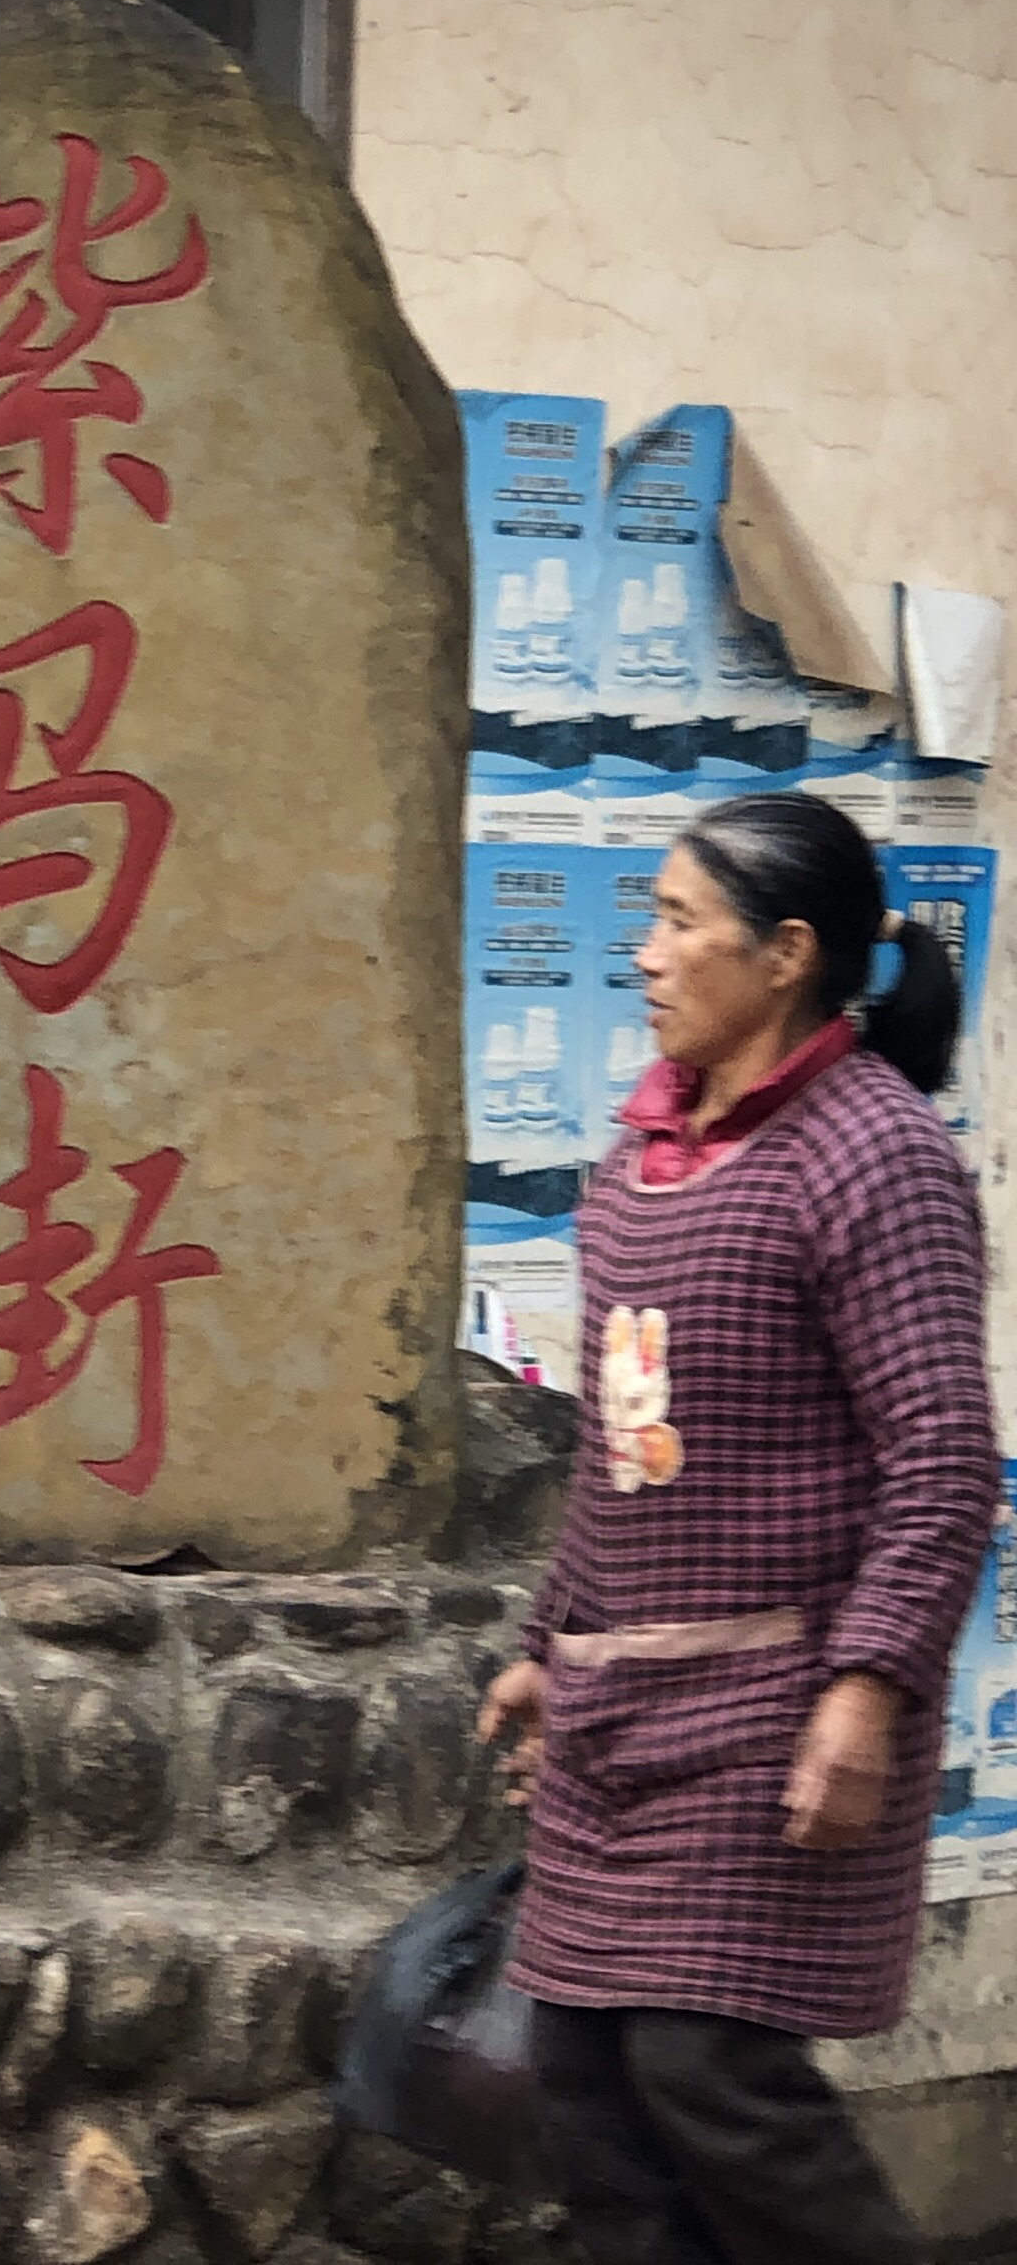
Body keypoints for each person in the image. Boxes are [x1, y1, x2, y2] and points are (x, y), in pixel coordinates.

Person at [479, 792, 999, 2265]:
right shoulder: (644, 1161)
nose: (640, 954)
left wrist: (869, 1689)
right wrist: (545, 1645)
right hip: (614, 1711)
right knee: (583, 2088)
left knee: (705, 2073)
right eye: (646, 915)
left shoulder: (872, 1158)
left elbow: (943, 1457)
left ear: (783, 954)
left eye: (674, 922)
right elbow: (626, 1453)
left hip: (775, 1708)